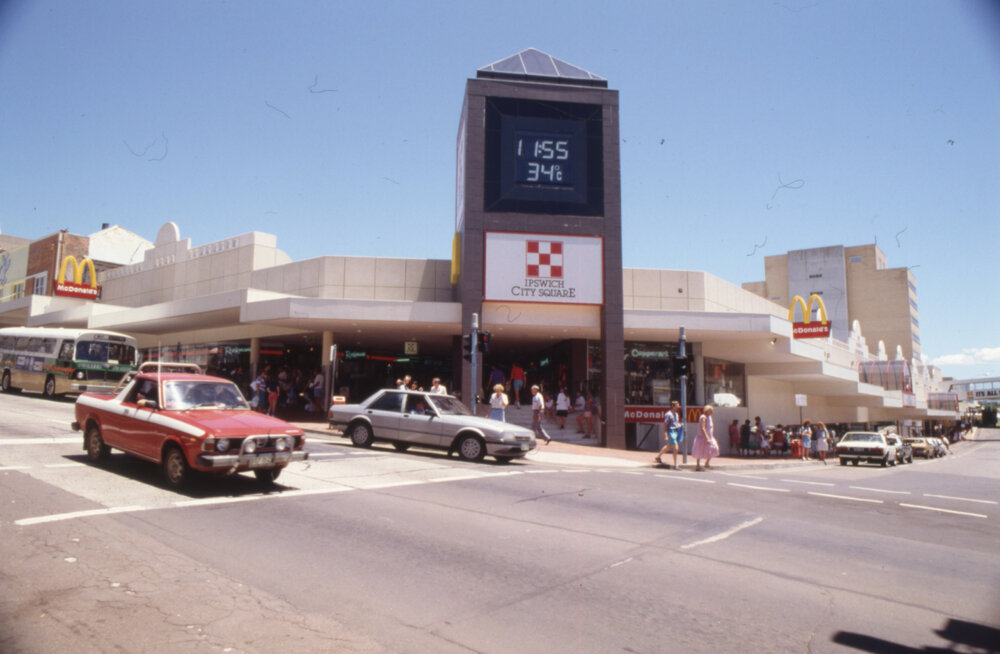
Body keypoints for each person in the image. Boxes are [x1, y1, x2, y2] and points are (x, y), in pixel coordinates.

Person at [654, 400, 683, 469]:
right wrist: (666, 435)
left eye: (678, 405)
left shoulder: (676, 414)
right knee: (676, 448)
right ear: (673, 406)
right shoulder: (668, 414)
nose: (678, 407)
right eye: (677, 405)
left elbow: (676, 423)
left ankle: (658, 457)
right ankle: (676, 465)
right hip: (671, 431)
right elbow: (665, 425)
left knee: (669, 446)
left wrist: (680, 425)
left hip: (676, 431)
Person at [691, 405, 720, 471]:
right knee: (700, 450)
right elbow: (703, 428)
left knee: (714, 448)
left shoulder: (710, 417)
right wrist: (707, 438)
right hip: (703, 437)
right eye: (711, 410)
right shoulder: (703, 417)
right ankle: (698, 465)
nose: (712, 411)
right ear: (707, 410)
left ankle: (707, 463)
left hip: (710, 436)